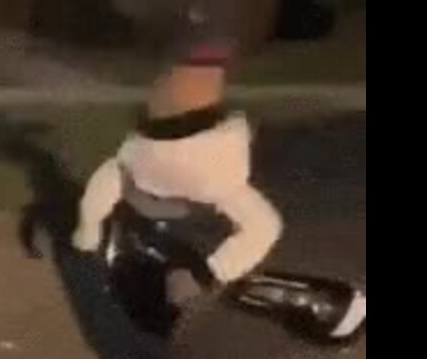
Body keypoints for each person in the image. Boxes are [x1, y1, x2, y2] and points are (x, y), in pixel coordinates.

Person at [71, 1, 283, 326]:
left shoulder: (188, 35)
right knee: (264, 225)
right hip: (194, 155)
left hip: (152, 150)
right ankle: (202, 275)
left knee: (117, 172)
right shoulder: (213, 31)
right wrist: (211, 272)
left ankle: (87, 236)